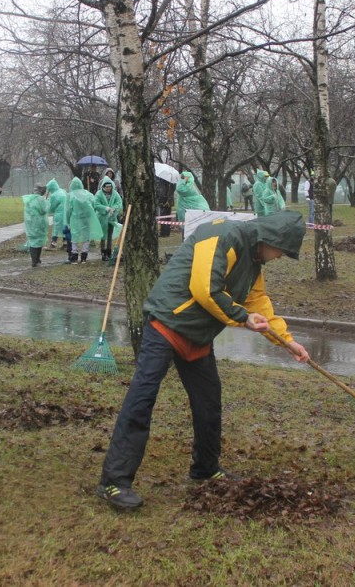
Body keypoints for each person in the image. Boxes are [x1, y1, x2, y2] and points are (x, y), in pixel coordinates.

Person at [96, 210, 310, 510]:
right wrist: (243, 318)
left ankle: (205, 470)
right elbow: (204, 289)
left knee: (208, 402)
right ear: (268, 239)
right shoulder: (221, 236)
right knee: (141, 400)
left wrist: (287, 342)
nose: (278, 257)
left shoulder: (254, 260)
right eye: (281, 251)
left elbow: (258, 302)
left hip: (198, 336)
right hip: (167, 324)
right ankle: (114, 482)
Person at [64, 177, 104, 263]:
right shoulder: (87, 194)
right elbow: (94, 203)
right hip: (86, 219)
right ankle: (84, 256)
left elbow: (68, 210)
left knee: (74, 236)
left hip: (75, 219)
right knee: (86, 236)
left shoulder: (70, 195)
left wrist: (67, 222)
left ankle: (74, 256)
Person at [94, 176, 124, 261]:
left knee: (109, 235)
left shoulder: (115, 194)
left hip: (111, 217)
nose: (108, 188)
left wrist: (114, 208)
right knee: (103, 235)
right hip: (102, 218)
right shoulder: (99, 194)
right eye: (106, 187)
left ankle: (109, 252)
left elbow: (119, 203)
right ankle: (103, 253)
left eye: (110, 186)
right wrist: (105, 208)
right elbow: (96, 204)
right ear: (103, 186)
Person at [23, 184, 49, 267]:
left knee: (32, 240)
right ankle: (36, 259)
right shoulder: (40, 199)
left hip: (30, 222)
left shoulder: (29, 198)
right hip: (39, 222)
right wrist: (47, 202)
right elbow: (44, 210)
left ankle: (35, 259)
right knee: (39, 240)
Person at [45, 178, 67, 250]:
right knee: (65, 227)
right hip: (67, 212)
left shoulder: (54, 195)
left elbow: (52, 206)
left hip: (59, 213)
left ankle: (53, 243)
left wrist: (47, 207)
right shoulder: (63, 191)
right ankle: (65, 243)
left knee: (56, 228)